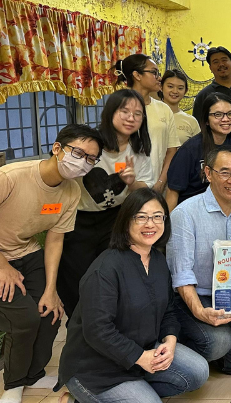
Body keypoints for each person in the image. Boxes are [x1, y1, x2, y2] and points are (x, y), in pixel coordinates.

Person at [0, 125, 102, 403]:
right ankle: (14, 384)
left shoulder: (71, 192)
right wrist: (2, 266)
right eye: (78, 152)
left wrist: (51, 289)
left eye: (91, 158)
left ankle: (34, 374)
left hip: (26, 252)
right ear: (57, 148)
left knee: (52, 312)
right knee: (24, 320)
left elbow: (55, 240)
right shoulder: (9, 176)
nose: (83, 162)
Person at [57, 189, 208, 403]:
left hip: (141, 351)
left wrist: (170, 341)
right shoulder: (106, 268)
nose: (150, 224)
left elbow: (168, 310)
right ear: (126, 221)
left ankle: (135, 391)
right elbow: (97, 329)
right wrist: (140, 357)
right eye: (141, 217)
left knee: (198, 371)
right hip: (96, 369)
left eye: (157, 216)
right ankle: (78, 397)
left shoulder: (157, 260)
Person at [57, 90, 153, 320]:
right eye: (125, 111)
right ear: (110, 112)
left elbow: (145, 190)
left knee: (110, 276)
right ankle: (79, 328)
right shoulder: (91, 144)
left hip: (115, 219)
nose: (131, 118)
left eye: (137, 114)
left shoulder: (138, 151)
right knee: (75, 280)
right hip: (78, 220)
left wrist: (131, 183)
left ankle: (107, 326)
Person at [167, 145, 231, 376]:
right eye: (224, 172)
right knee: (217, 343)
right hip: (195, 296)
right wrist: (199, 311)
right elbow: (181, 273)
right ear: (208, 174)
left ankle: (212, 348)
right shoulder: (185, 213)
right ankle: (174, 345)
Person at [166, 93, 231, 210]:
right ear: (206, 120)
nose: (225, 119)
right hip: (193, 210)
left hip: (225, 207)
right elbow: (173, 191)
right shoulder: (190, 149)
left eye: (230, 114)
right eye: (218, 115)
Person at [116, 54, 180, 192]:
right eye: (154, 72)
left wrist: (161, 182)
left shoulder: (163, 109)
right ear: (137, 75)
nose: (159, 77)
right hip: (123, 189)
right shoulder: (118, 107)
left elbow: (171, 150)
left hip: (156, 186)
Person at [192, 46, 231, 122]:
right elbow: (199, 126)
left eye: (224, 60)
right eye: (216, 62)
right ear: (210, 68)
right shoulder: (204, 95)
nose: (221, 64)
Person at [160, 69, 201, 146]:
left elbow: (197, 150)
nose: (175, 91)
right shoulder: (150, 113)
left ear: (185, 91)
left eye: (180, 88)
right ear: (161, 87)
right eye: (170, 86)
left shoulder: (191, 121)